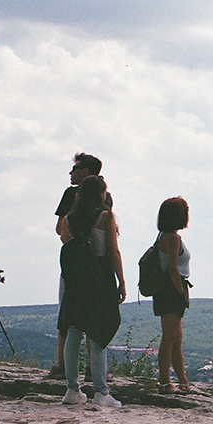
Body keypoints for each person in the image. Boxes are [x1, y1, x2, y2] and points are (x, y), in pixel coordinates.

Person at [58, 175, 125, 408]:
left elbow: (67, 243)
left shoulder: (70, 219)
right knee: (98, 334)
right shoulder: (105, 216)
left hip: (77, 280)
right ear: (100, 194)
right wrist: (122, 281)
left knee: (74, 333)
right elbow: (113, 251)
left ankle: (72, 389)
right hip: (100, 277)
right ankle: (101, 392)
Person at [48, 152, 112, 380]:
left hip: (74, 262)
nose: (71, 172)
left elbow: (60, 230)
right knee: (95, 315)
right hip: (98, 264)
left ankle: (62, 366)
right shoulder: (107, 198)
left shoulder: (70, 195)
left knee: (68, 314)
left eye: (75, 168)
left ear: (86, 171)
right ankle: (93, 369)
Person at [154, 197, 192, 394]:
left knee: (176, 339)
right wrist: (180, 292)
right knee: (169, 339)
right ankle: (164, 382)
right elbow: (172, 268)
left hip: (166, 290)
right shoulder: (173, 239)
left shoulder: (163, 235)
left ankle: (182, 381)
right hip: (171, 290)